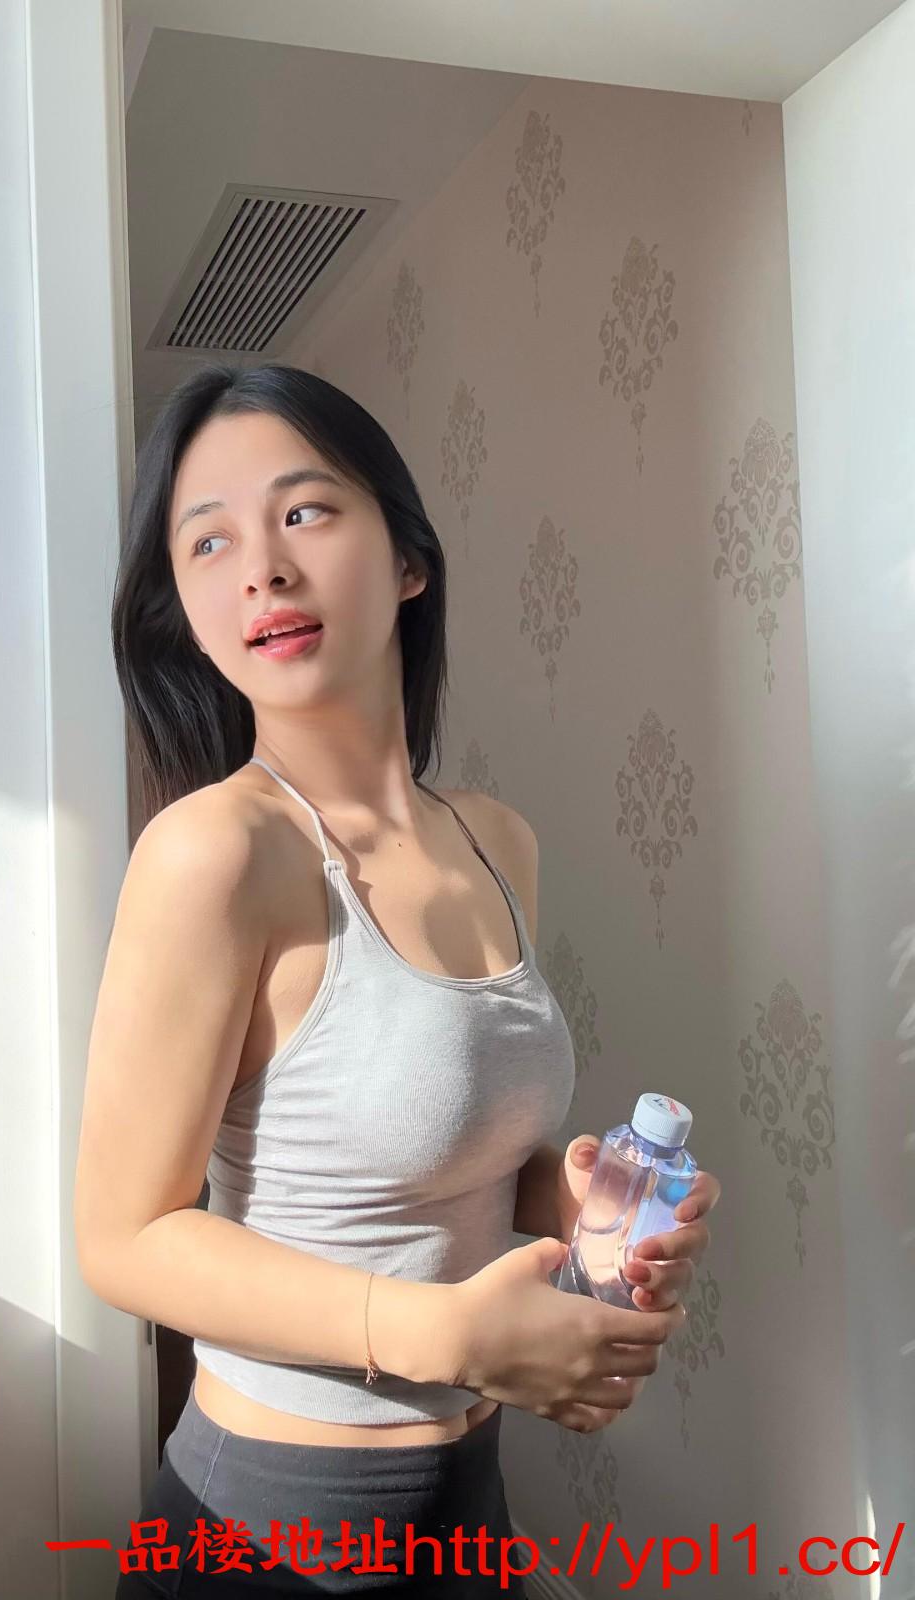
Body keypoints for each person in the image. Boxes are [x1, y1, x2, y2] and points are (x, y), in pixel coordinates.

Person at [76, 362, 720, 1596]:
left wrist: (576, 1198)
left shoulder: (495, 838)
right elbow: (123, 1239)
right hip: (269, 1534)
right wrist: (438, 1334)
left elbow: (435, 1155)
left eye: (303, 511)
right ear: (187, 613)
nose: (262, 569)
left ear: (409, 559)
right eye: (208, 542)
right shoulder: (214, 853)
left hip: (470, 1507)